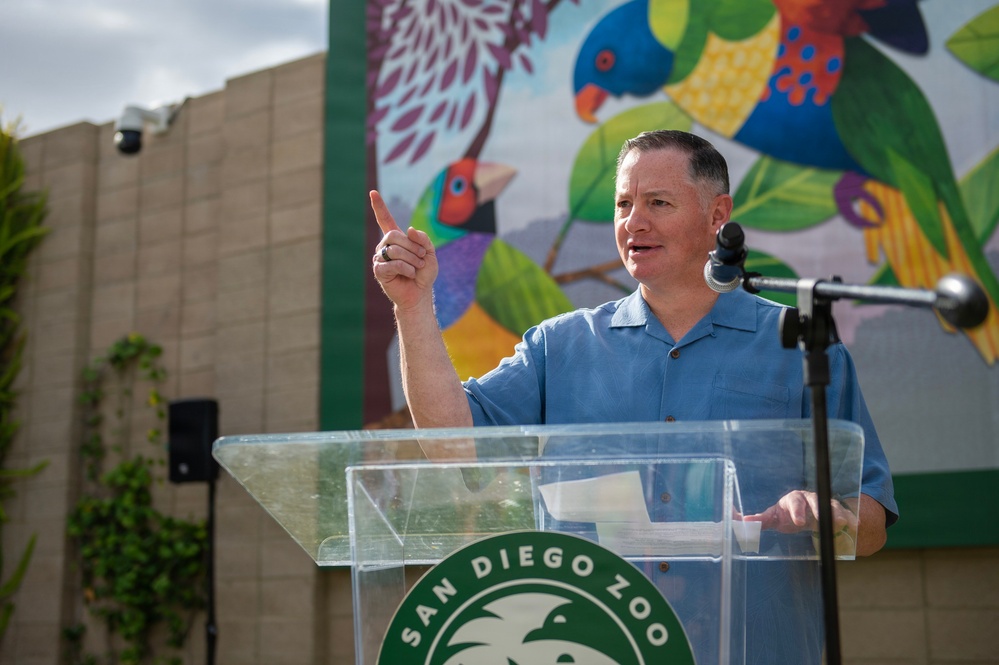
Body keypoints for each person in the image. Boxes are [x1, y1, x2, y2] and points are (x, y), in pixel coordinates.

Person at [370, 129, 897, 663]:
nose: (633, 222)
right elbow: (453, 445)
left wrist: (824, 514)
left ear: (718, 216)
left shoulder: (801, 344)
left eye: (658, 203)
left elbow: (870, 524)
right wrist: (413, 305)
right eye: (623, 204)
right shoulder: (560, 346)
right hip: (599, 646)